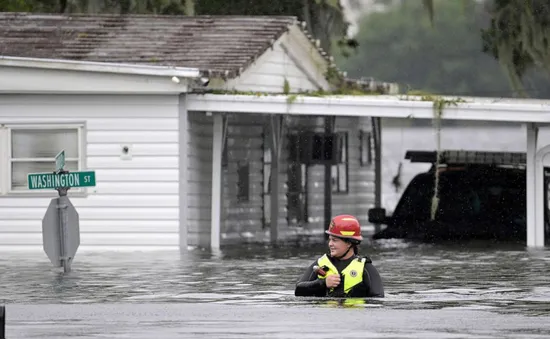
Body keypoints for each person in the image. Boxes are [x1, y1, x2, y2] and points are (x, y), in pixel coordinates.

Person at [294, 214, 385, 298]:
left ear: (349, 243)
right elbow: (298, 290)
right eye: (330, 240)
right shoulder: (320, 264)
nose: (330, 244)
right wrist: (323, 283)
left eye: (335, 240)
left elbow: (378, 299)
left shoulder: (366, 268)